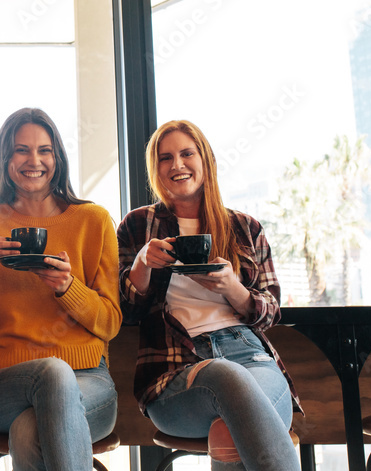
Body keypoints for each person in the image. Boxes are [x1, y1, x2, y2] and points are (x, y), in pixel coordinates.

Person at [117, 120, 302, 470]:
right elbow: (124, 312)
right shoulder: (136, 226)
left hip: (249, 354)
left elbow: (271, 311)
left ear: (206, 160)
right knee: (224, 376)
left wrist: (233, 289)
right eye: (165, 157)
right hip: (174, 370)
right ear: (154, 169)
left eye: (187, 153)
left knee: (227, 431)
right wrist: (142, 264)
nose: (177, 165)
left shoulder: (245, 227)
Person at [0, 108, 121, 470]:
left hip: (88, 382)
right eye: (21, 150)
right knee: (51, 372)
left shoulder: (93, 221)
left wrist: (68, 287)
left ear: (57, 158)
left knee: (29, 431)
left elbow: (110, 323)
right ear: (5, 158)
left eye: (44, 150)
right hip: (4, 386)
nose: (34, 160)